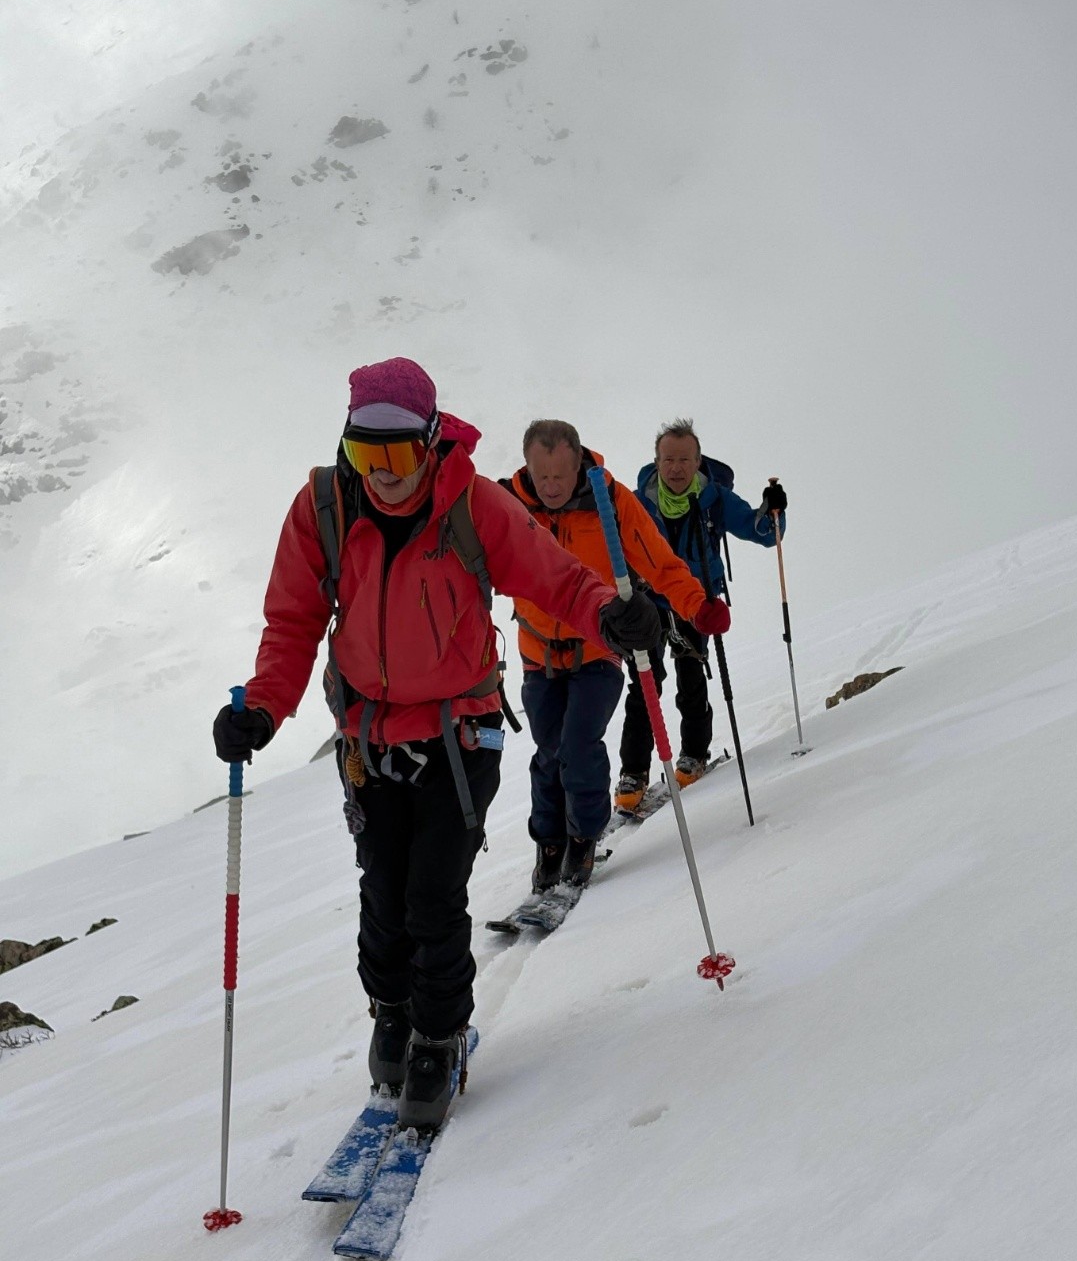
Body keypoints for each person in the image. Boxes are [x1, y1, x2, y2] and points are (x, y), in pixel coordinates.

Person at [211, 360, 659, 1133]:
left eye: (397, 456)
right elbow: (292, 623)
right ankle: (392, 1010)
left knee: (431, 896)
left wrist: (609, 617)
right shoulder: (323, 506)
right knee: (382, 898)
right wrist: (262, 707)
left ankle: (439, 1034)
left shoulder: (473, 506)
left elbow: (555, 578)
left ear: (429, 442)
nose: (382, 476)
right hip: (367, 742)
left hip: (460, 734)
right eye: (364, 455)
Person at [500, 420, 730, 892]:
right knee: (548, 753)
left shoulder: (610, 501)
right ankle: (548, 843)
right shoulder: (510, 507)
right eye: (541, 476)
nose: (551, 487)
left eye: (560, 475)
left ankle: (582, 839)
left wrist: (697, 606)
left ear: (578, 460)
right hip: (536, 653)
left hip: (598, 648)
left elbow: (659, 561)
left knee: (579, 745)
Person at [614, 418, 782, 812]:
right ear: (656, 461)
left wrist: (773, 512)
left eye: (684, 459)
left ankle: (693, 754)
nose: (676, 467)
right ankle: (633, 772)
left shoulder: (715, 498)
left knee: (691, 673)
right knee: (644, 682)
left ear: (697, 460)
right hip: (648, 601)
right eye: (668, 459)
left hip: (695, 599)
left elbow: (761, 530)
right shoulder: (638, 503)